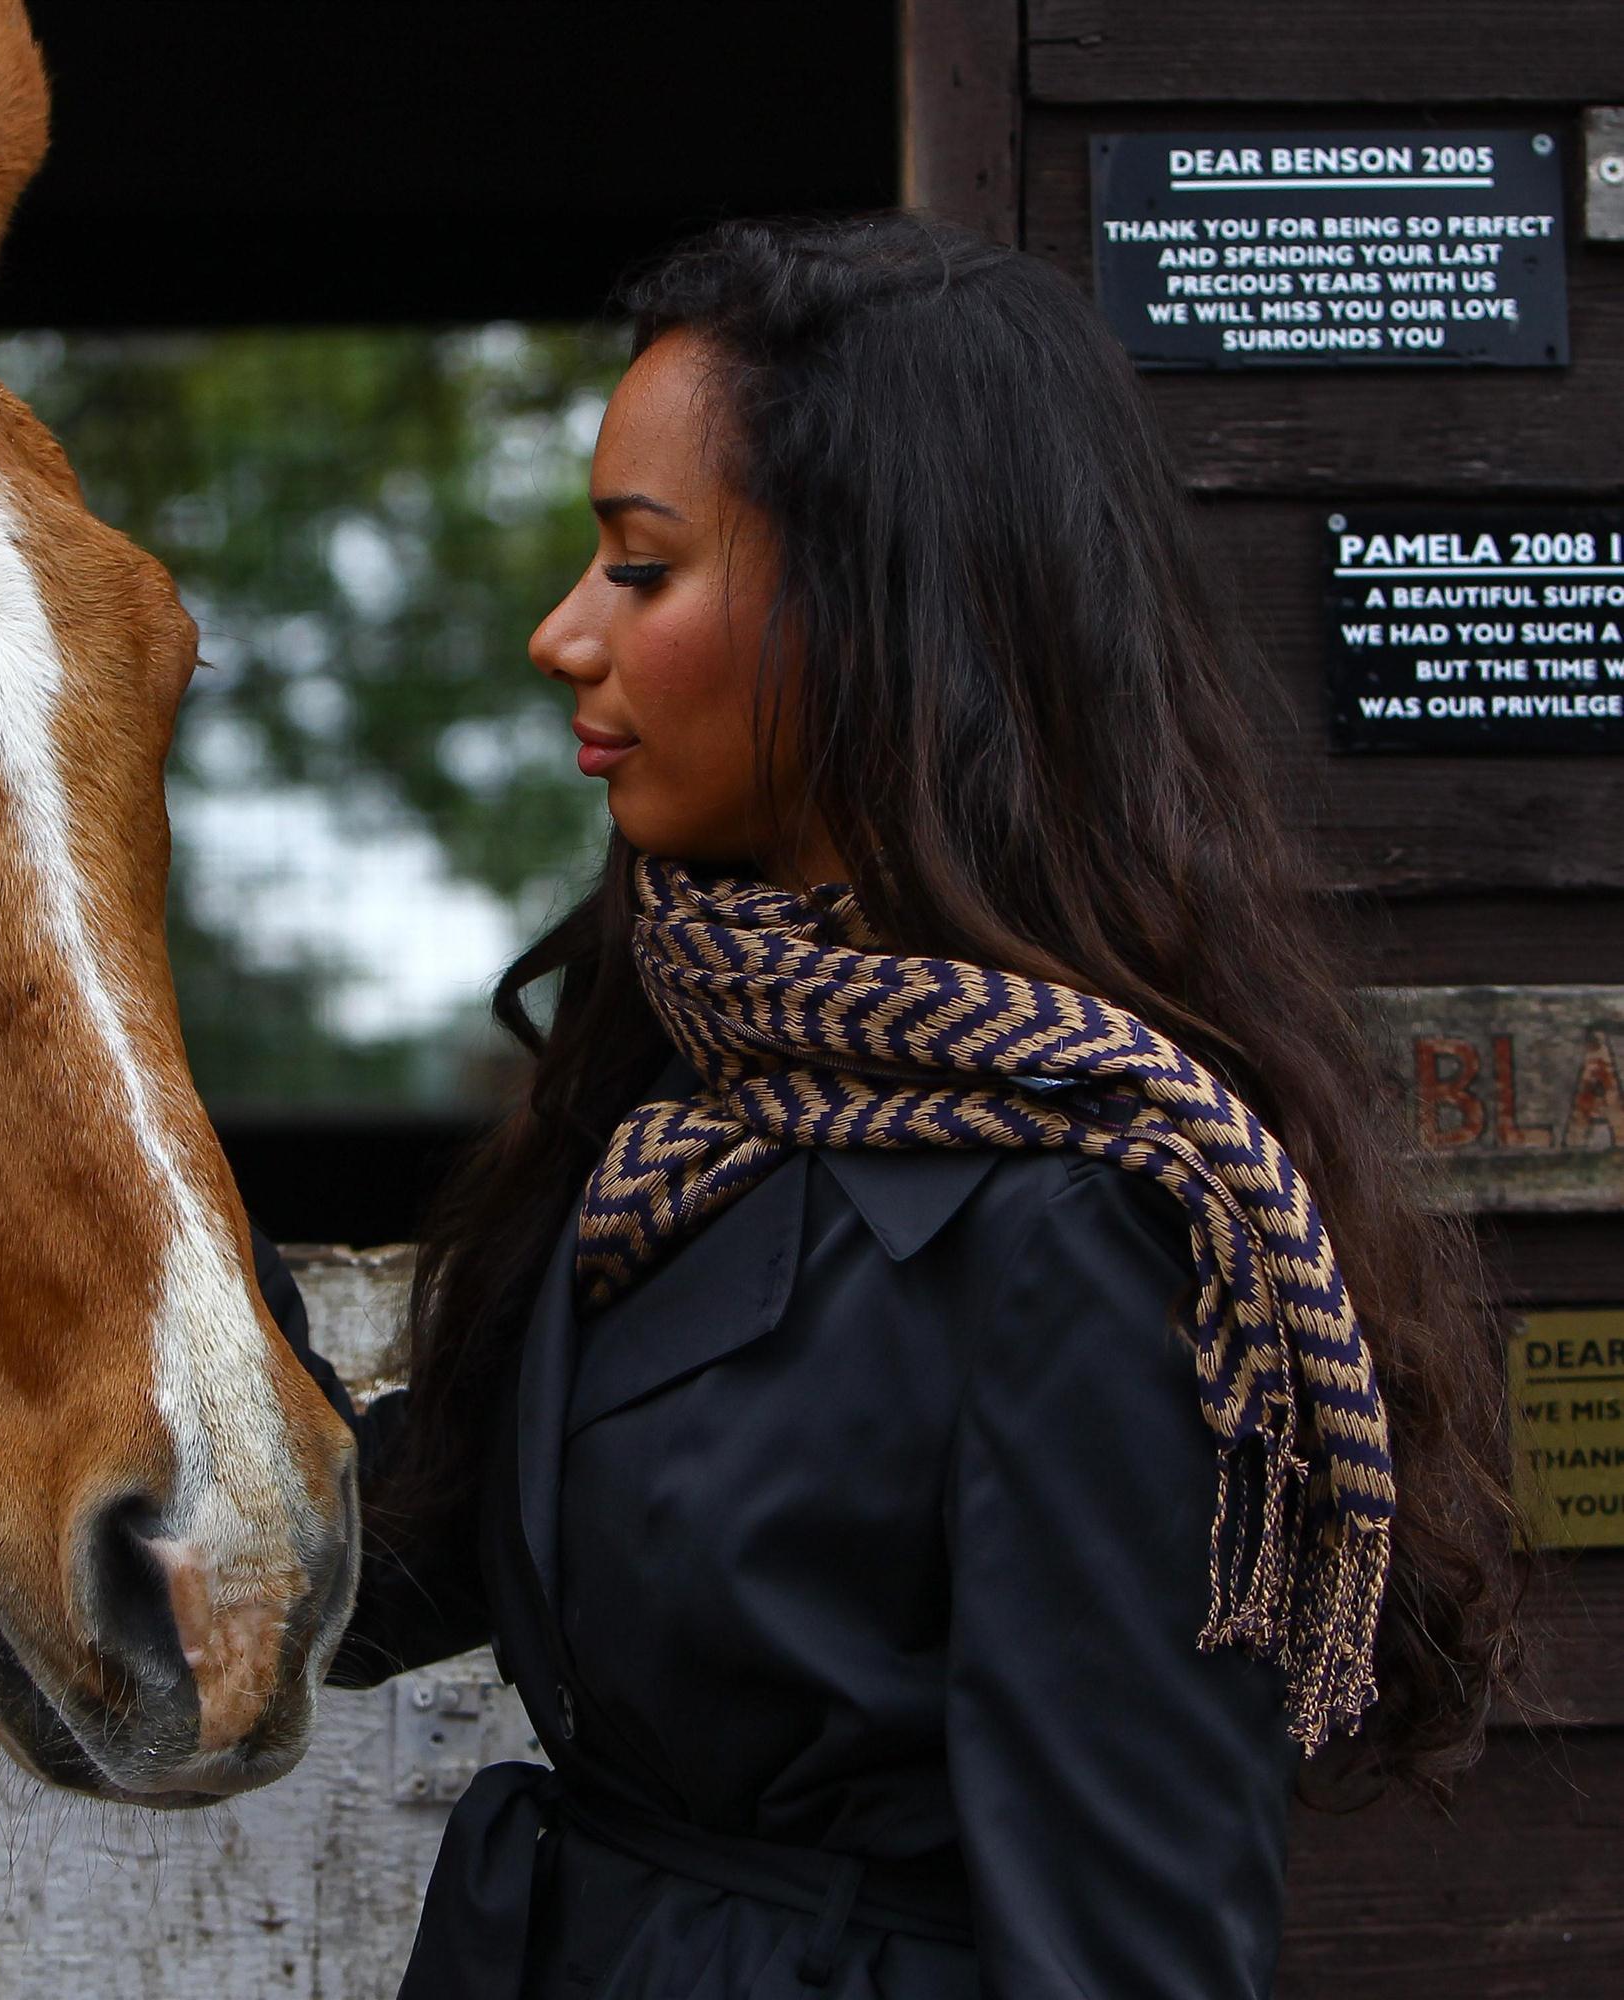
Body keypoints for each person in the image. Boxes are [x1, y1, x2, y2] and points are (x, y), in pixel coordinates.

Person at [256, 218, 1521, 1999]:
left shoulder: (1098, 1225)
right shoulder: (679, 1107)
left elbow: (1128, 1955)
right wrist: (112, 1190)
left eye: (638, 565)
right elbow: (398, 1564)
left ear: (872, 603)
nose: (563, 635)